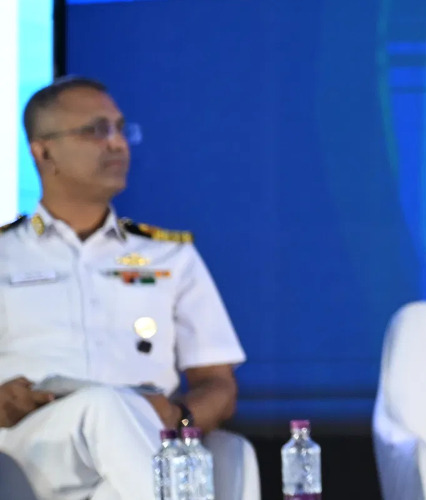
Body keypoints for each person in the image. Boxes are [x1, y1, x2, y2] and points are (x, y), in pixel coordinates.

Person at [0, 76, 255, 500]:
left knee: (126, 460)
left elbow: (218, 382)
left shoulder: (169, 256)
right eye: (96, 131)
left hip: (145, 442)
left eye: (121, 129)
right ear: (43, 152)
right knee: (103, 407)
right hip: (31, 452)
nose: (117, 144)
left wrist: (180, 417)